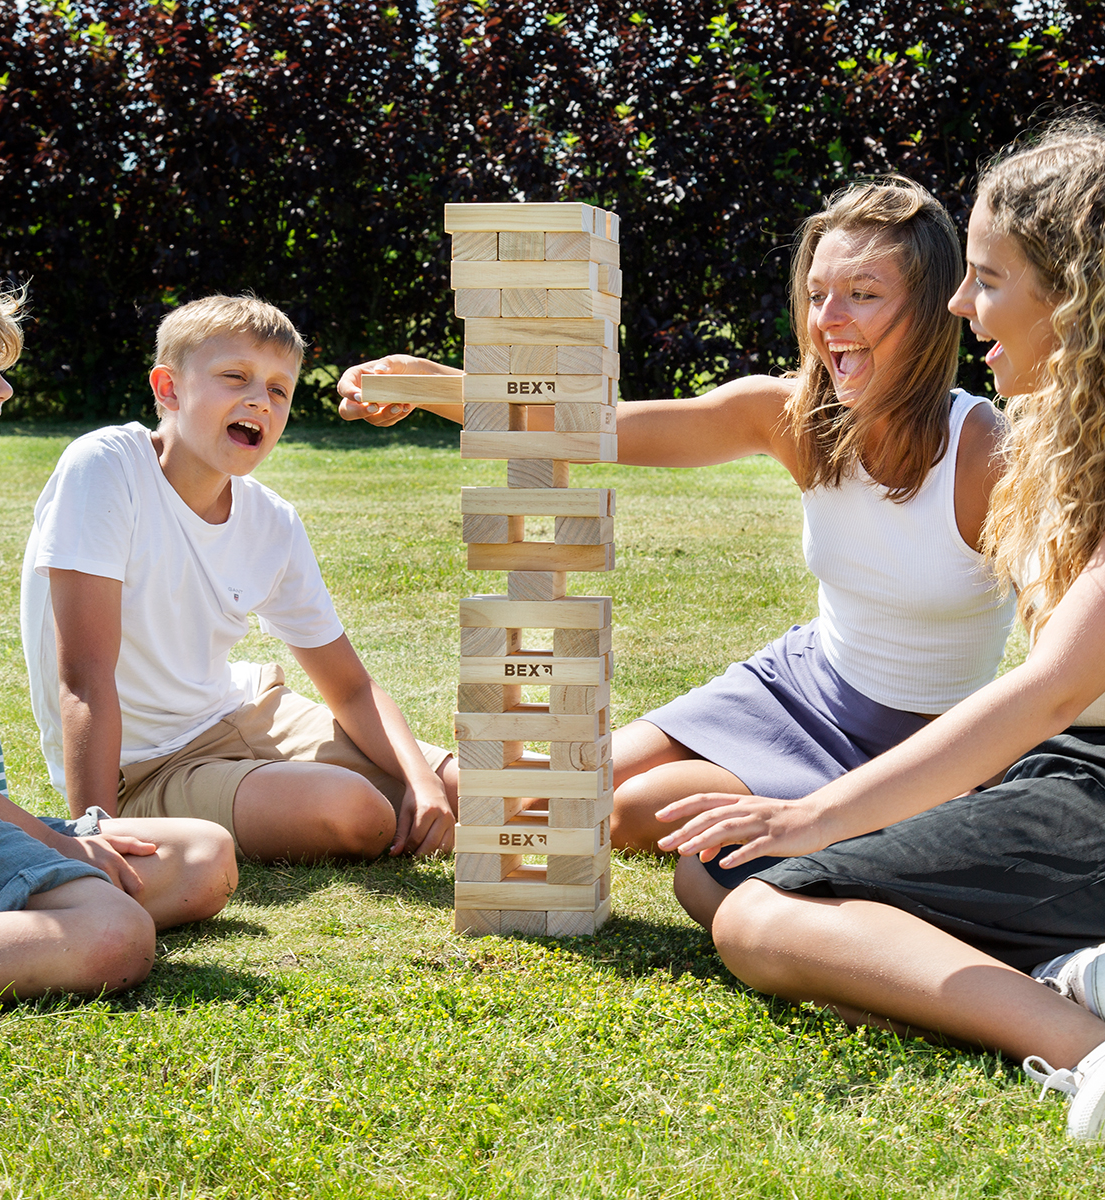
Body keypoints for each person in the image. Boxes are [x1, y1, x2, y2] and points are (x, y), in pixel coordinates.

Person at [337, 178, 1015, 883]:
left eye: (863, 294)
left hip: (913, 746)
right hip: (793, 686)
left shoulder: (985, 455)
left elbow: (1062, 658)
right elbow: (590, 427)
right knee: (544, 792)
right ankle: (359, 773)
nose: (828, 320)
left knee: (631, 813)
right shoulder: (791, 417)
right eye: (817, 295)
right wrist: (432, 385)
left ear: (937, 308)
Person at [656, 119, 1105, 1140]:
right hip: (1063, 778)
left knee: (761, 911)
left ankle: (1087, 1049)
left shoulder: (1021, 449)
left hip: (1083, 783)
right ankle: (1061, 973)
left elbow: (1046, 692)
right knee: (712, 869)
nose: (958, 303)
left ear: (1074, 296)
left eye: (987, 280)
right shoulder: (1058, 443)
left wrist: (811, 819)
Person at [0, 233, 235, 1013]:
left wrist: (61, 836)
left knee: (200, 856)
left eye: (2, 368)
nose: (3, 390)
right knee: (111, 933)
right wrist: (52, 840)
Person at [20, 295, 458, 864]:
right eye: (235, 377)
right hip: (144, 767)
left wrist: (422, 780)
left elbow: (350, 687)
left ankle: (600, 794)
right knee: (359, 812)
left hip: (246, 712)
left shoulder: (271, 519)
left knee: (467, 791)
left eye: (279, 389)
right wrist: (95, 835)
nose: (260, 399)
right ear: (168, 388)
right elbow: (84, 676)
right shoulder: (105, 466)